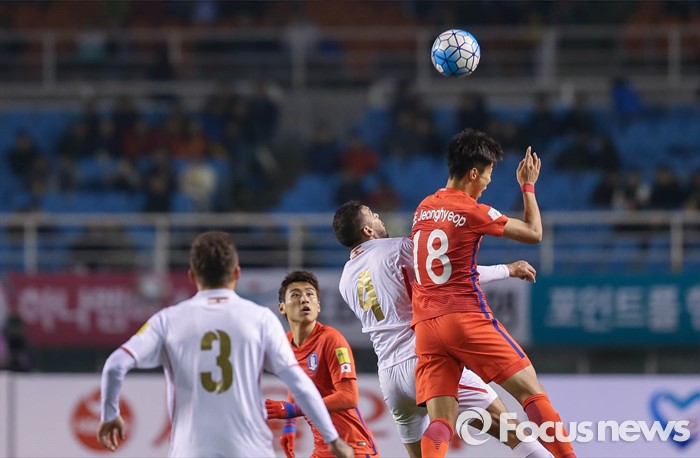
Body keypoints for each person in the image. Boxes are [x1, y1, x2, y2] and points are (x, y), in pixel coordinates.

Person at [96, 231, 353, 458]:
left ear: (192, 275)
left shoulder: (168, 320)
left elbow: (115, 365)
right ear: (237, 273)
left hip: (191, 450)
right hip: (250, 449)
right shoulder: (260, 319)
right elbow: (299, 383)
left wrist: (110, 414)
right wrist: (333, 439)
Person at [332, 201, 551, 458]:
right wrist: (508, 269)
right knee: (512, 433)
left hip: (390, 378)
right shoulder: (397, 249)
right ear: (367, 231)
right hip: (423, 361)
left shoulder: (345, 278)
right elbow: (453, 274)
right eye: (371, 214)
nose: (378, 215)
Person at [410, 129, 575, 458]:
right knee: (531, 392)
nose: (488, 182)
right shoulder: (472, 210)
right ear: (473, 173)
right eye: (488, 174)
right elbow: (533, 232)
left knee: (442, 420)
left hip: (426, 327)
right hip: (464, 318)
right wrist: (527, 186)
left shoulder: (424, 207)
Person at [266, 271, 379, 458]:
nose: (304, 299)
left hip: (353, 447)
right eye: (295, 295)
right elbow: (296, 386)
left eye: (310, 294)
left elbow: (349, 397)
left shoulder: (331, 340)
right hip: (323, 446)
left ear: (318, 305)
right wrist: (289, 426)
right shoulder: (286, 344)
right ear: (282, 307)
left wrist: (293, 410)